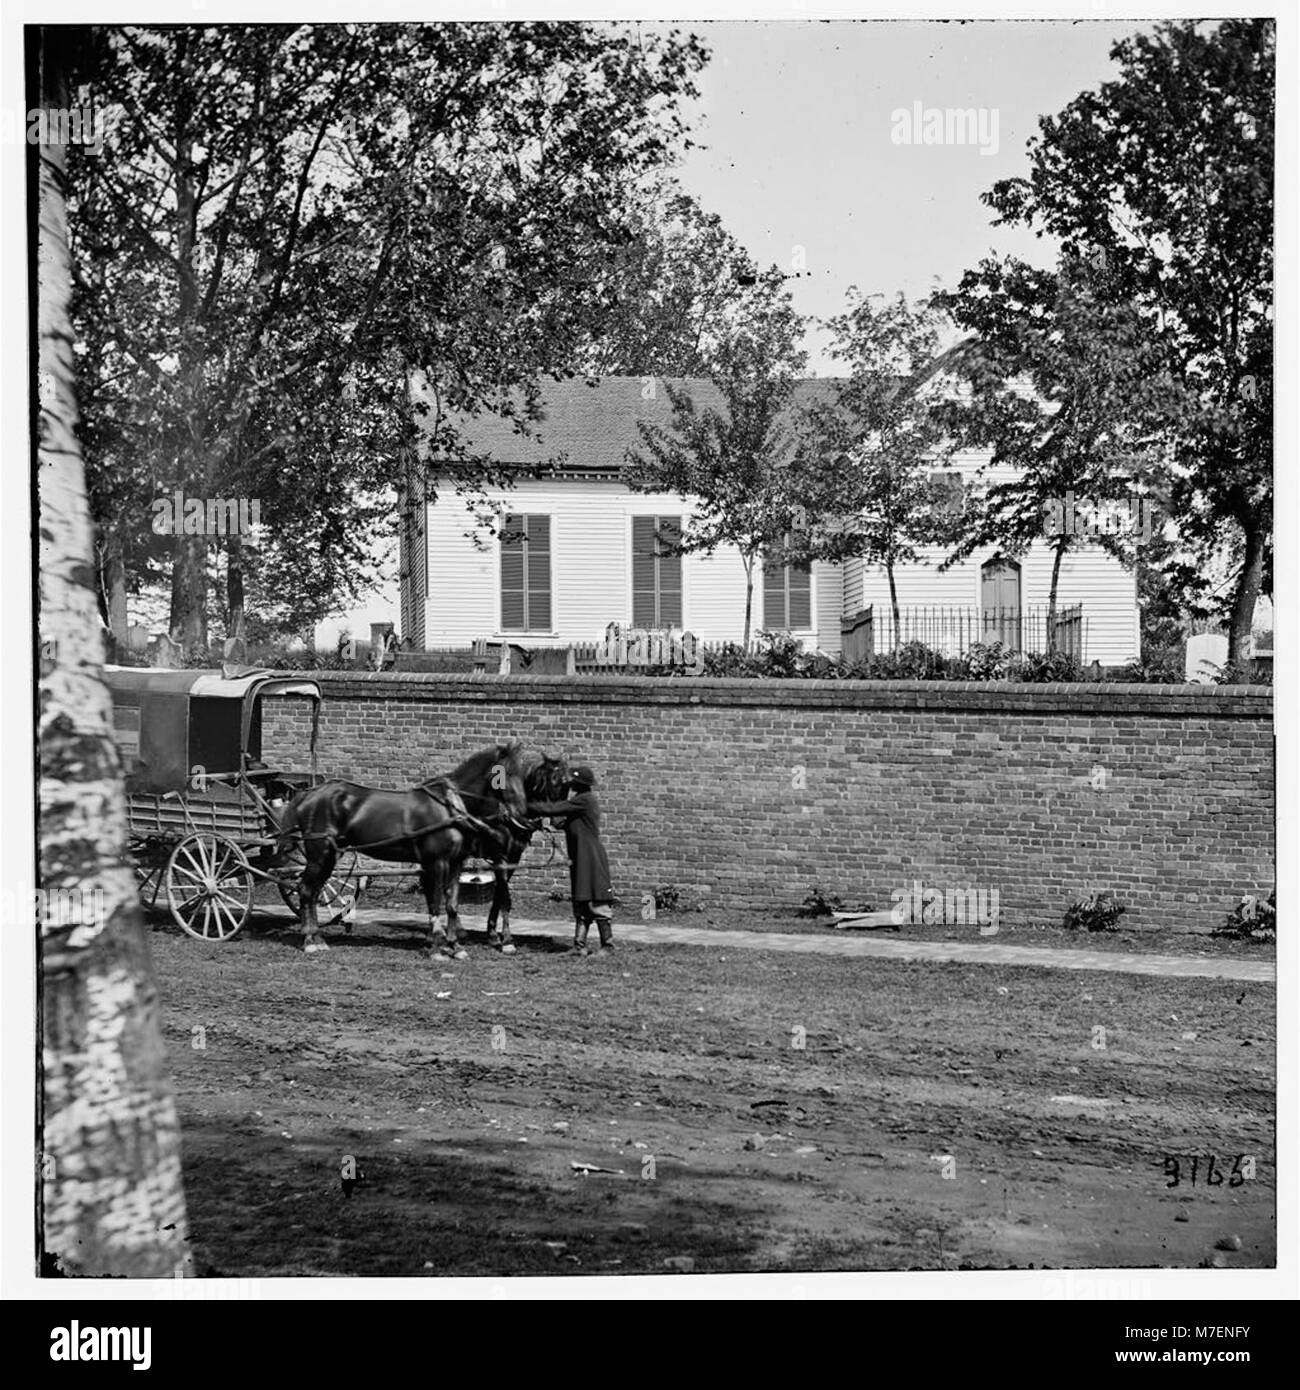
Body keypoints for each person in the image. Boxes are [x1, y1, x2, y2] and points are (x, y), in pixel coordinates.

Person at [527, 765, 615, 955]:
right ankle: (579, 946)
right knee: (581, 900)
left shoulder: (585, 800)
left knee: (597, 901)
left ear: (579, 784)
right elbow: (559, 821)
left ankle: (607, 946)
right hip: (580, 857)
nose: (570, 784)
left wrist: (527, 806)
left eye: (572, 782)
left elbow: (554, 809)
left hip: (591, 857)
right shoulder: (578, 802)